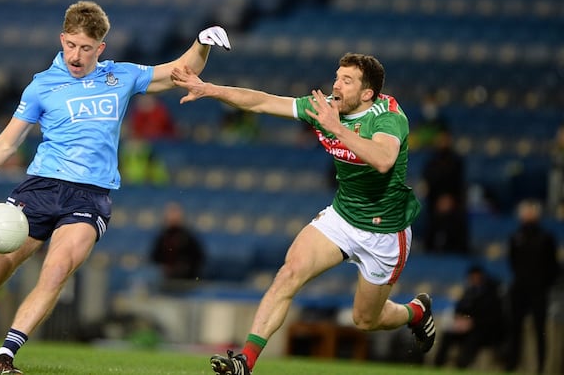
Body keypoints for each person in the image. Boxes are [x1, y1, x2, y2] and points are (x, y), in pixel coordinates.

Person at [0, 0, 230, 374]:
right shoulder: (41, 86)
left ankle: (5, 356)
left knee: (57, 267)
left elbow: (180, 71)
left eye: (86, 48)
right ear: (62, 39)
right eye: (71, 45)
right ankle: (19, 256)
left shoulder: (120, 76)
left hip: (89, 197)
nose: (76, 56)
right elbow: (5, 144)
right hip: (40, 188)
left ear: (101, 48)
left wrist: (202, 43)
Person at [170, 53, 435, 375]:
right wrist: (210, 89)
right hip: (343, 217)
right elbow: (262, 102)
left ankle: (416, 312)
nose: (336, 85)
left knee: (366, 320)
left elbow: (382, 159)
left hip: (385, 232)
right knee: (288, 274)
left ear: (368, 94)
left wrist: (335, 127)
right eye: (337, 76)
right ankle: (245, 362)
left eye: (347, 81)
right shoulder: (325, 108)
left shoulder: (388, 116)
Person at [504, 199, 559, 374]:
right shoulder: (515, 237)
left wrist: (543, 283)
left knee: (539, 329)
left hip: (538, 289)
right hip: (520, 288)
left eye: (530, 211)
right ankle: (512, 365)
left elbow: (553, 265)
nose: (526, 215)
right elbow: (512, 261)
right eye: (524, 211)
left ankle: (541, 368)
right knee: (514, 328)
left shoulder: (546, 238)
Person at [433, 265, 504, 369]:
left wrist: (472, 323)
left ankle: (461, 366)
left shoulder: (492, 294)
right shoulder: (469, 291)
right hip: (466, 328)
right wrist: (459, 319)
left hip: (484, 331)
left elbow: (492, 317)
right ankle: (437, 365)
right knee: (447, 335)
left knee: (473, 338)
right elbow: (459, 308)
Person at [421, 128, 469, 254]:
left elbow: (458, 183)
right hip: (434, 202)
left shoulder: (456, 161)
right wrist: (438, 200)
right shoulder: (431, 162)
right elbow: (429, 182)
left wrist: (450, 199)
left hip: (454, 202)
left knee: (456, 226)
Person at [150, 201, 205, 285]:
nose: (173, 217)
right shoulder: (162, 237)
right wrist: (164, 268)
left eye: (175, 213)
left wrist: (183, 267)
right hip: (165, 278)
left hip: (186, 279)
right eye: (170, 213)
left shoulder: (188, 237)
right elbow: (154, 257)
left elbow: (198, 258)